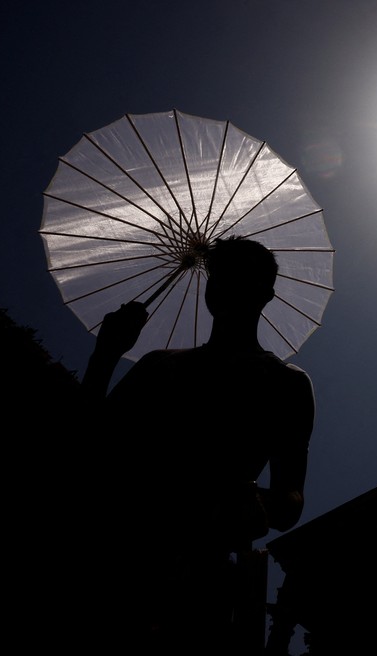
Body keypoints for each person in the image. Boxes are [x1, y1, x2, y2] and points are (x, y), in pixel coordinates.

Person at [78, 236, 316, 653]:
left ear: (266, 294)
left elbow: (291, 501)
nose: (225, 289)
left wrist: (250, 498)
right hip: (117, 558)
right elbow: (86, 446)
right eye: (219, 278)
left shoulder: (286, 384)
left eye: (241, 280)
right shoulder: (159, 365)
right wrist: (106, 353)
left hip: (200, 578)